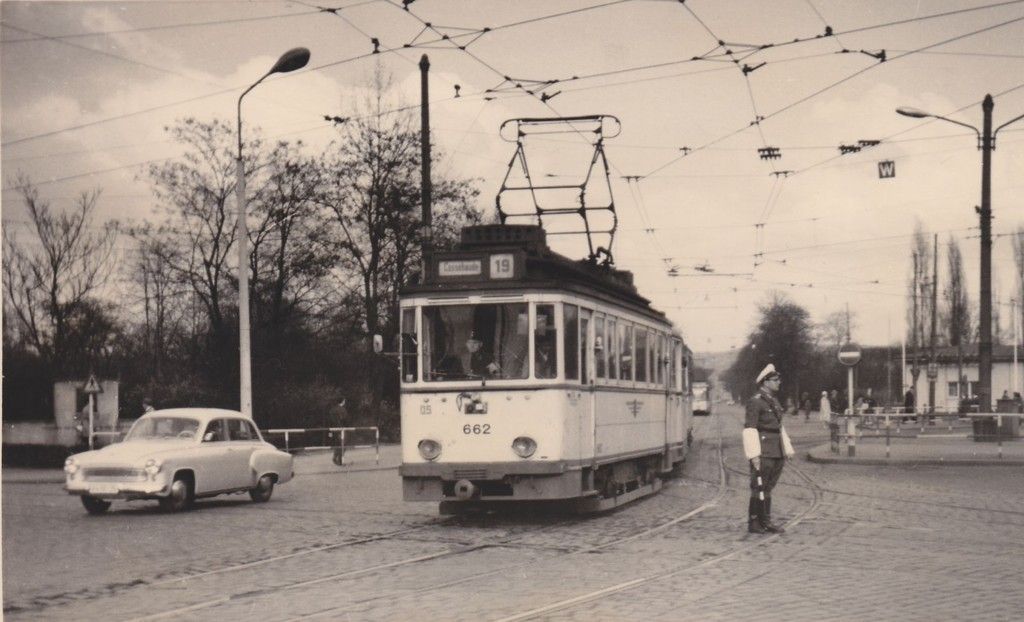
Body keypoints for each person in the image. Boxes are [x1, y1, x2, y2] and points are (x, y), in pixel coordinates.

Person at [742, 364, 795, 534]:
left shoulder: (774, 401)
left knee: (768, 487)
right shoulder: (755, 401)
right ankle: (754, 521)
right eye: (775, 380)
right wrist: (754, 455)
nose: (779, 382)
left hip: (776, 450)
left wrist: (787, 448)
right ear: (765, 382)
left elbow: (779, 427)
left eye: (779, 379)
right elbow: (750, 428)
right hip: (763, 450)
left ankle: (766, 520)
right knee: (759, 486)